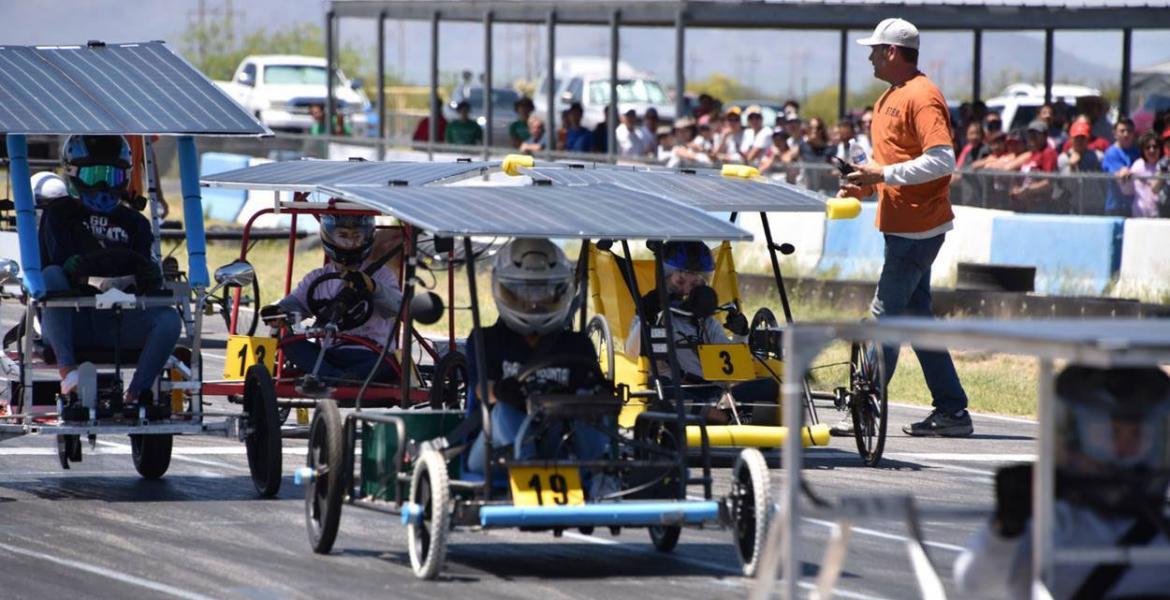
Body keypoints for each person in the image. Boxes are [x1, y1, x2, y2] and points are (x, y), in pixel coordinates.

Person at [837, 17, 972, 437]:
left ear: (892, 52)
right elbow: (891, 161)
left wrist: (882, 176)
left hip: (918, 227)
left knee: (885, 319)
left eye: (875, 49)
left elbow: (942, 160)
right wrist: (863, 184)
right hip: (903, 223)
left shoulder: (922, 96)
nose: (870, 56)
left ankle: (865, 411)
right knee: (916, 320)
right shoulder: (890, 96)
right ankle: (952, 410)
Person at [955, 365, 1170, 599]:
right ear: (1072, 437)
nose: (1124, 452)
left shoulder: (1161, 531)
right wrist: (1006, 529)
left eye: (1138, 436)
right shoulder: (1050, 525)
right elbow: (976, 587)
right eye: (1110, 435)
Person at [39, 135, 180, 415]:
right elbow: (62, 267)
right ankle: (70, 375)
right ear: (74, 175)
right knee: (51, 276)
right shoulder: (59, 216)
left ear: (124, 178)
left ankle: (137, 393)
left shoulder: (136, 224)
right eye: (93, 176)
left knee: (170, 319)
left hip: (118, 320)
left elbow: (145, 275)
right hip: (71, 322)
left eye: (110, 175)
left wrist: (148, 275)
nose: (102, 187)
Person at [464, 239, 611, 485]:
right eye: (522, 293)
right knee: (504, 409)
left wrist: (597, 391)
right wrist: (502, 391)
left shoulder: (577, 344)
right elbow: (482, 390)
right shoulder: (486, 340)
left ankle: (601, 473)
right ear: (504, 290)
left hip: (561, 442)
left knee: (594, 409)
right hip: (495, 450)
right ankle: (530, 470)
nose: (533, 303)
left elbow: (590, 391)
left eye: (544, 293)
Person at [625, 242, 777, 425]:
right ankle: (728, 417)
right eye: (680, 282)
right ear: (664, 279)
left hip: (714, 392)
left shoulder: (706, 321)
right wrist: (646, 318)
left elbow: (734, 366)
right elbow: (631, 354)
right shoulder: (653, 313)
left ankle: (717, 415)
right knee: (660, 389)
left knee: (768, 385)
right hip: (677, 389)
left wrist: (741, 333)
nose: (687, 290)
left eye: (695, 284)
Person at [261, 214, 403, 383]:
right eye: (343, 236)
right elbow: (296, 305)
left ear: (367, 237)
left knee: (393, 363)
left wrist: (373, 287)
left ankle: (330, 378)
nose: (351, 243)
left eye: (357, 236)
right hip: (329, 354)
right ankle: (339, 379)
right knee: (289, 342)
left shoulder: (382, 276)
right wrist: (279, 313)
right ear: (329, 237)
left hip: (371, 354)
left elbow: (399, 307)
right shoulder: (318, 277)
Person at [1009, 119, 1058, 212]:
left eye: (1036, 134)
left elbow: (1049, 182)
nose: (1032, 137)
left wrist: (1028, 190)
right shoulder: (1031, 154)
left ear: (1044, 136)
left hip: (1040, 204)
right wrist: (1016, 188)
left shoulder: (1048, 153)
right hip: (1025, 204)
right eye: (1030, 133)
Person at [1102, 117, 1140, 217]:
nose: (1126, 134)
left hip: (1134, 205)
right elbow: (1119, 176)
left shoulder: (1137, 152)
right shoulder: (1111, 153)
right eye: (1122, 131)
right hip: (1116, 206)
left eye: (1129, 131)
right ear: (1115, 134)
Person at [1126, 131, 1164, 218]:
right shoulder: (1137, 165)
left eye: (1155, 147)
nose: (1152, 150)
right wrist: (1123, 178)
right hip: (1139, 216)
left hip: (1161, 216)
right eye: (1148, 147)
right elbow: (1128, 191)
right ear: (1143, 150)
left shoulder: (1166, 165)